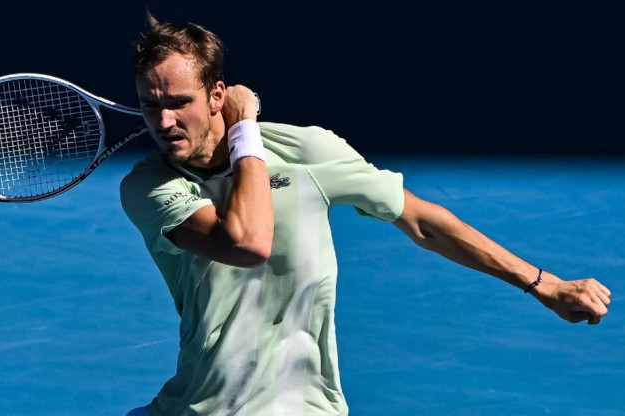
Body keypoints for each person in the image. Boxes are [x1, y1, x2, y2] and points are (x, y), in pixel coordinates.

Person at [119, 12, 611, 416]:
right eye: (150, 106)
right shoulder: (149, 186)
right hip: (193, 407)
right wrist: (246, 127)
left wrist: (542, 282)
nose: (164, 122)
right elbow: (247, 243)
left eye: (179, 103)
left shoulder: (308, 151)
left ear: (216, 95)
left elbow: (423, 222)